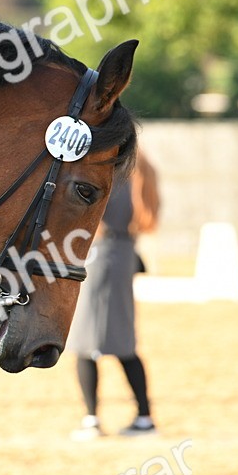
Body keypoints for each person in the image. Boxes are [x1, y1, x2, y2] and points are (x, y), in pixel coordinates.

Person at [67, 148, 161, 439]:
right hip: (125, 251)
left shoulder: (107, 169)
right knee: (122, 338)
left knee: (85, 340)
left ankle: (92, 418)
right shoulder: (141, 167)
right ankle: (143, 416)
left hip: (99, 252)